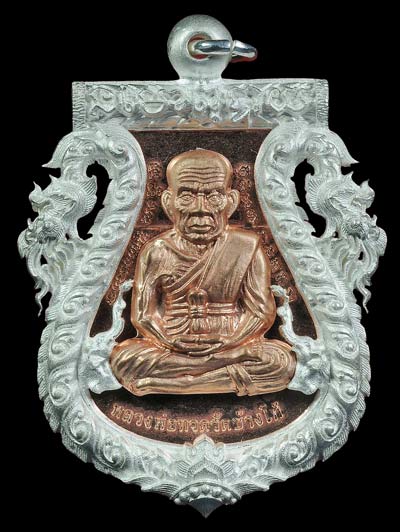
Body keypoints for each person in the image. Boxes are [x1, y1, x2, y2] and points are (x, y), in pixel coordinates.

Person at [110, 149, 296, 396]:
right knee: (124, 359)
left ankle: (183, 384)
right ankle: (212, 374)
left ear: (231, 201)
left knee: (281, 361)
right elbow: (144, 315)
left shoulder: (246, 247)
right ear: (168, 201)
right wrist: (169, 341)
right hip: (174, 343)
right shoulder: (156, 251)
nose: (201, 209)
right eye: (187, 196)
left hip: (232, 341)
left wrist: (232, 342)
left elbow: (261, 313)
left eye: (214, 196)